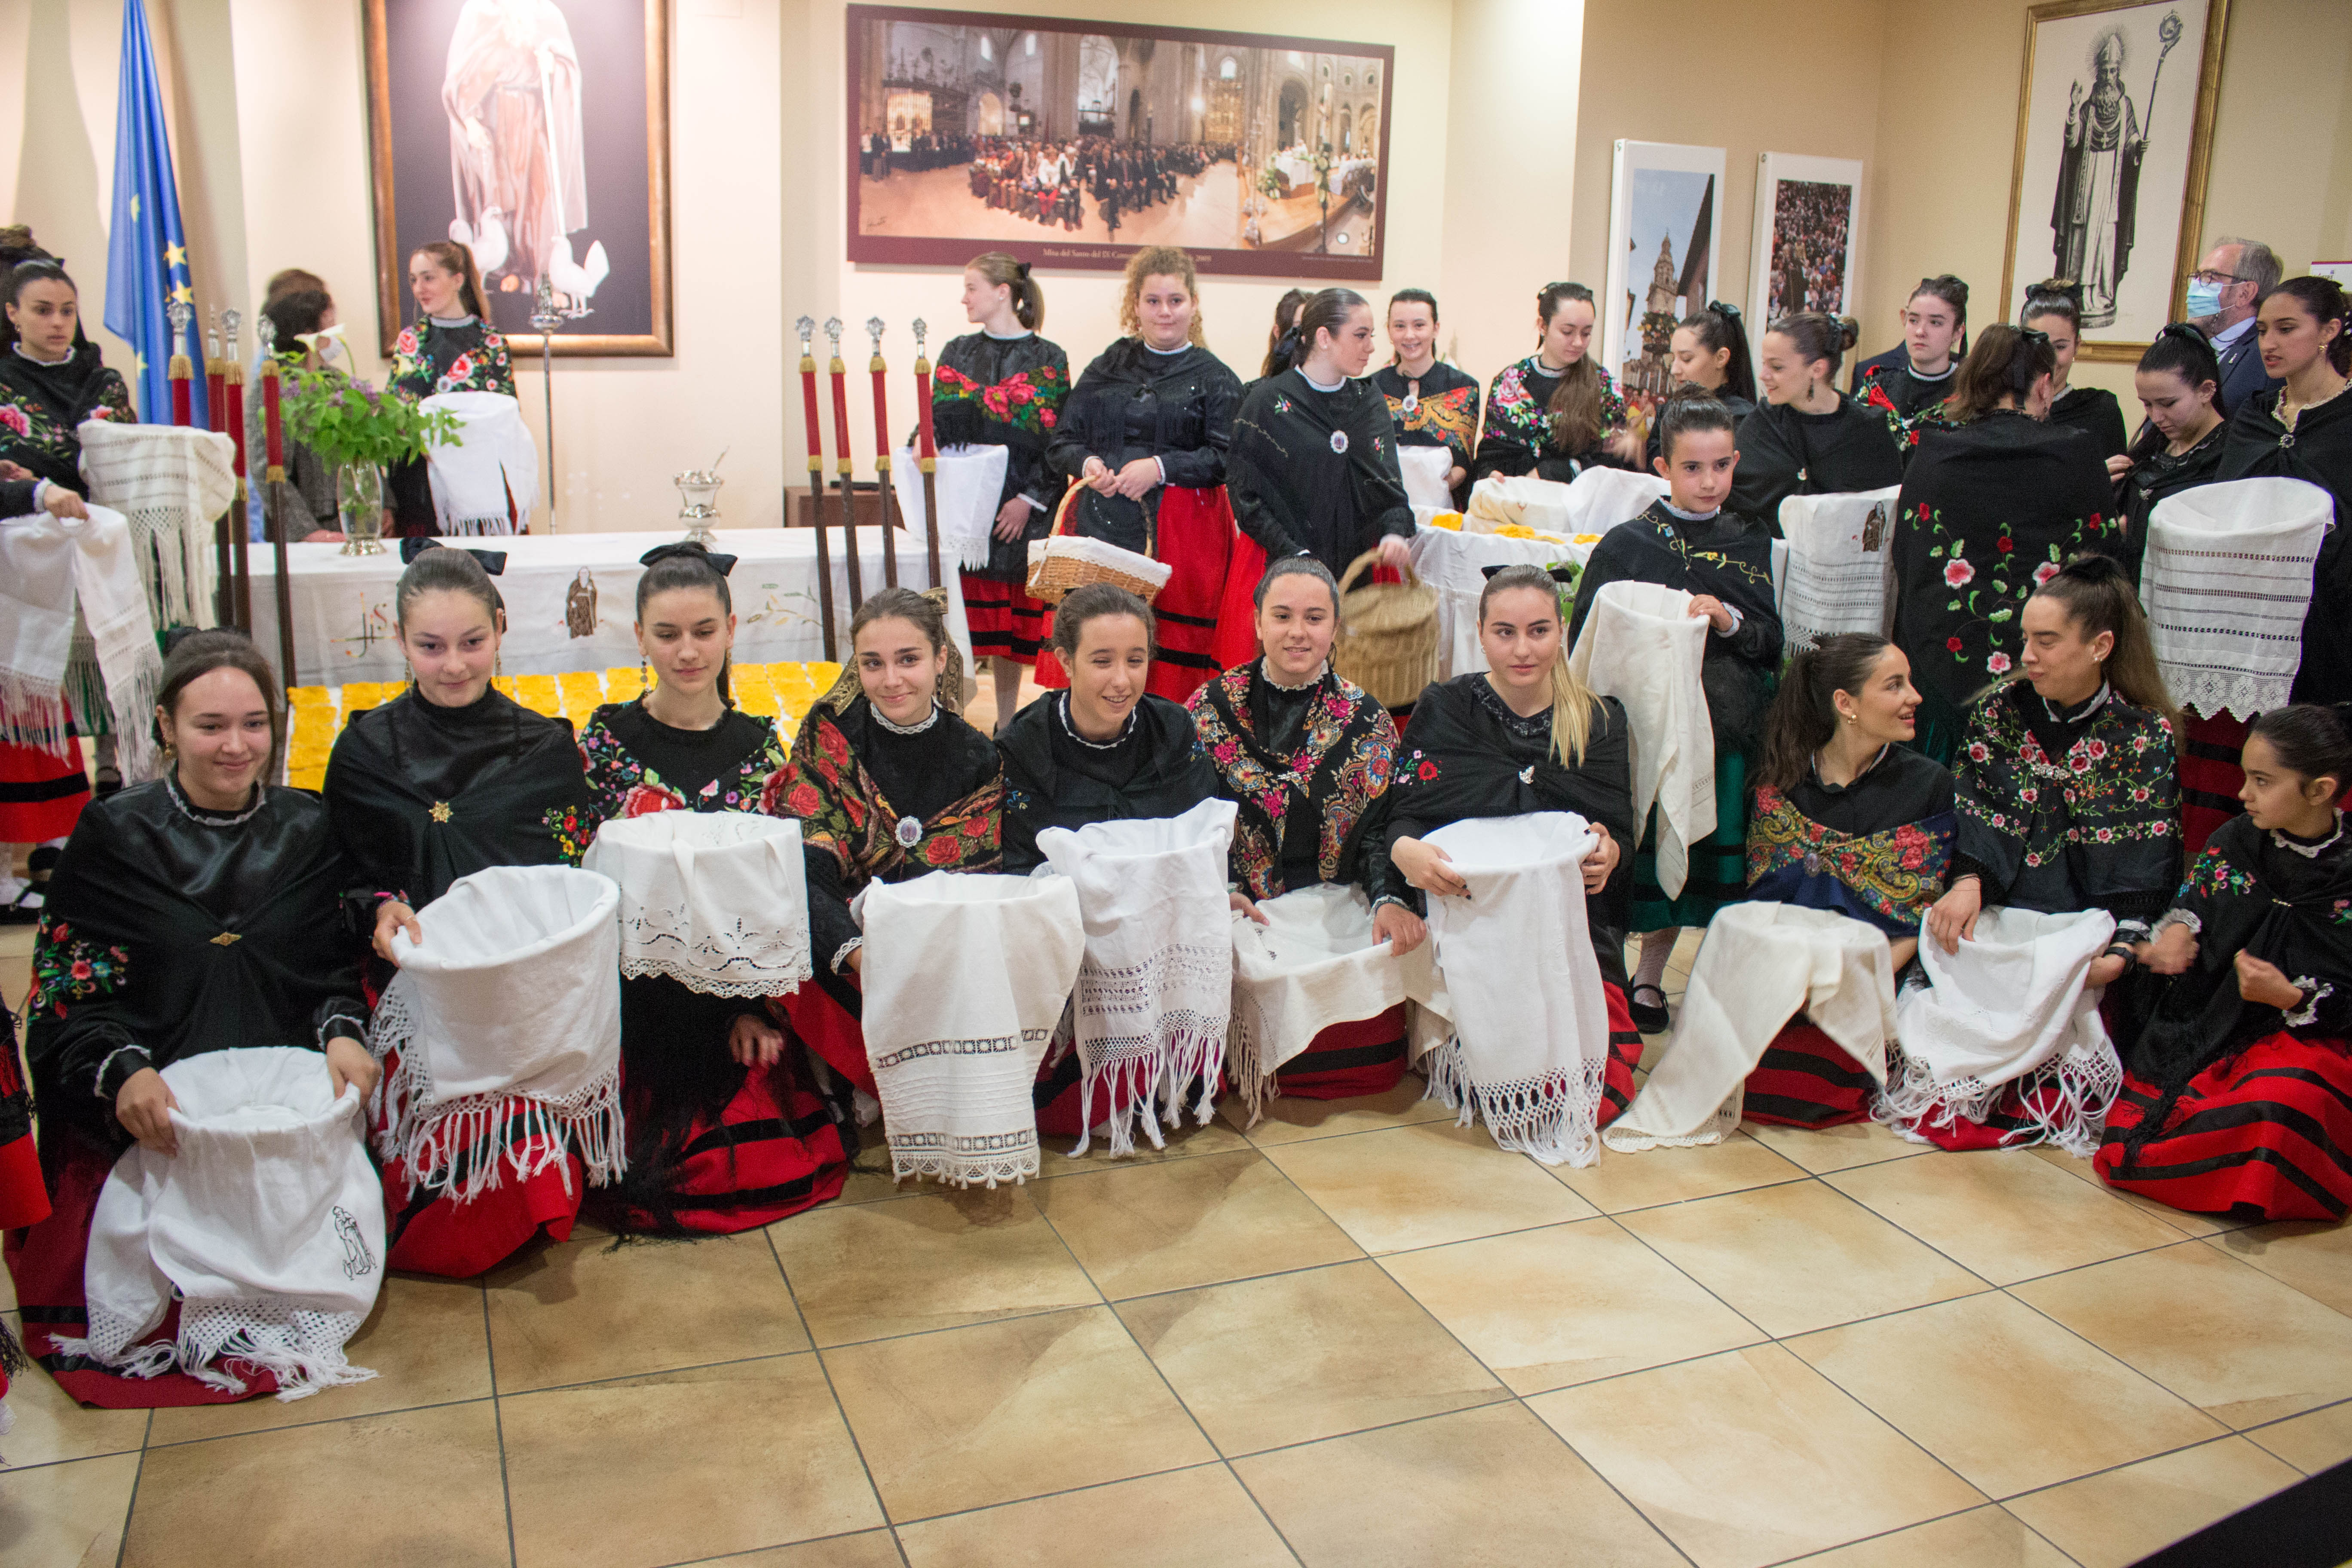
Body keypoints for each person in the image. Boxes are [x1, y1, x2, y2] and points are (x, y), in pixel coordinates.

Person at [7, 631, 376, 1406]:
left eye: (254, 723)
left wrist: (343, 1029)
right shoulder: (113, 836)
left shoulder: (307, 827)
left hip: (275, 1101)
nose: (236, 745)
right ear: (167, 728)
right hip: (160, 1107)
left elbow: (329, 969)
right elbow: (63, 993)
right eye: (210, 725)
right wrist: (123, 1070)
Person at [323, 544, 594, 1274]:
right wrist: (378, 905)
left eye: (473, 642)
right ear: (400, 641)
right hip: (404, 978)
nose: (454, 665)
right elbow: (335, 874)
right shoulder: (364, 749)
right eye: (431, 646)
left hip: (517, 979)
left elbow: (568, 881)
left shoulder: (543, 747)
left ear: (501, 628)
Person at [576, 543, 848, 1234]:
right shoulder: (606, 742)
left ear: (732, 630)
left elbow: (771, 898)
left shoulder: (760, 749)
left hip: (734, 990)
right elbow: (587, 891)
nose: (687, 652)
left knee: (761, 1162)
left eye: (704, 632)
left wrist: (751, 1008)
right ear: (639, 636)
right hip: (634, 1000)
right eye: (666, 635)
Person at [1383, 565, 1645, 1118]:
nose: (1523, 649)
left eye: (1539, 630)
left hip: (1565, 926)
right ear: (1479, 632)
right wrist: (1404, 850)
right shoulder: (1447, 708)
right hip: (1476, 923)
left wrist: (1611, 850)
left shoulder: (1599, 721)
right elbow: (1406, 813)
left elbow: (1616, 830)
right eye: (1505, 632)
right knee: (1502, 1084)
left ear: (1562, 631)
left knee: (1591, 1097)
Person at [1568, 393, 1784, 1032]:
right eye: (1693, 468)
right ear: (1664, 466)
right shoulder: (1628, 543)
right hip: (1642, 728)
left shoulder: (1748, 540)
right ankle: (1605, 973)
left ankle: (1651, 979)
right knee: (1636, 855)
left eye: (1721, 466)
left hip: (1723, 728)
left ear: (1736, 461)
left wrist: (1730, 618)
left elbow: (1771, 639)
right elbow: (1588, 635)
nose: (1709, 481)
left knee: (1693, 867)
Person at [2098, 704, 2352, 1221]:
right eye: (2245, 777)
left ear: (2321, 790)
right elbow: (2194, 906)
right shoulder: (2237, 840)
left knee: (2280, 1105)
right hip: (2211, 1023)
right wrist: (2173, 932)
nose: (2243, 794)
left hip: (2315, 1036)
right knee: (2146, 1134)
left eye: (2262, 781)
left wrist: (2290, 998)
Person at [1188, 557, 1424, 1098]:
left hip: (1333, 906)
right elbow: (1192, 822)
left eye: (1315, 618)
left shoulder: (1367, 720)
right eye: (1283, 616)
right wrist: (1219, 890)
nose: (1298, 632)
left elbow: (1377, 831)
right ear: (1257, 623)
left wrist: (1390, 897)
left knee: (1380, 996)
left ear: (1335, 628)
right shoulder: (1208, 710)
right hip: (1243, 906)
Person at [998, 585, 1218, 1129]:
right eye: (1102, 661)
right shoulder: (1025, 748)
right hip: (1069, 938)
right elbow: (1018, 870)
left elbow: (1199, 840)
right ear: (1064, 661)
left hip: (1162, 936)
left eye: (1136, 660)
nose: (1122, 681)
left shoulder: (1172, 730)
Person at [774, 588, 1003, 1107]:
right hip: (851, 948)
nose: (892, 680)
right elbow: (806, 868)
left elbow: (977, 879)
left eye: (909, 660)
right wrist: (860, 953)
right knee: (789, 930)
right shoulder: (831, 737)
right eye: (873, 664)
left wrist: (914, 948)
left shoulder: (976, 756)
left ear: (941, 658)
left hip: (936, 944)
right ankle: (855, 1079)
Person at [1926, 555, 2180, 984]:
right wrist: (1969, 881)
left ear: (2100, 646)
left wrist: (2120, 954)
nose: (2028, 656)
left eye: (2046, 641)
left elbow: (2145, 870)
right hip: (1994, 909)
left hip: (2087, 927)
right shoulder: (2000, 711)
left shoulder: (2142, 734)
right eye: (2025, 639)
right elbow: (1972, 813)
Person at [1737, 634, 1954, 1125]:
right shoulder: (1783, 777)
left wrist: (1850, 982)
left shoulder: (1929, 783)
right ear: (1846, 704)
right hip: (1783, 973)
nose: (1914, 698)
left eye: (1910, 684)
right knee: (1743, 1082)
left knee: (1817, 1097)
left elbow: (1914, 915)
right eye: (1895, 686)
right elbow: (1761, 904)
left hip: (1871, 978)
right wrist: (1791, 983)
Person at [1888, 324, 2120, 761]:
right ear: (2046, 385)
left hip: (1948, 655)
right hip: (2052, 661)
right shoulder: (2078, 453)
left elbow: (1909, 555)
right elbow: (2103, 562)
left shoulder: (1936, 450)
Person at [1047, 247, 1243, 701]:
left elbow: (1228, 458)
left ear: (1193, 304)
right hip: (1103, 527)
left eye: (1175, 300)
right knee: (1100, 644)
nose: (1164, 312)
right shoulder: (1109, 364)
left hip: (1183, 535)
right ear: (1134, 306)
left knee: (1168, 663)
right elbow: (1063, 442)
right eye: (1153, 301)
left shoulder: (1216, 377)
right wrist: (1088, 465)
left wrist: (1160, 468)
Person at [1, 259, 132, 916]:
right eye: (43, 310)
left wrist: (44, 474)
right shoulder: (3, 383)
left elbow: (116, 452)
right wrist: (39, 486)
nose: (58, 323)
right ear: (14, 315)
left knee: (116, 660)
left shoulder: (100, 375)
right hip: (23, 566)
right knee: (32, 695)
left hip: (100, 551)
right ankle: (33, 842)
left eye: (67, 310)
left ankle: (114, 777)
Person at [932, 253, 1070, 730]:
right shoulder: (957, 351)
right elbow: (938, 419)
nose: (965, 297)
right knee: (961, 620)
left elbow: (1058, 442)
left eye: (972, 287)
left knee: (1010, 630)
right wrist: (919, 439)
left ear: (1003, 293)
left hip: (1019, 508)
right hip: (967, 508)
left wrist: (1027, 500)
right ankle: (951, 721)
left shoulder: (1048, 358)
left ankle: (1007, 721)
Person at [2217, 276, 2352, 708]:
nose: (2269, 343)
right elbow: (2226, 503)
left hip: (2332, 612)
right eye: (2261, 331)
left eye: (2286, 329)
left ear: (2329, 331)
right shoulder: (2254, 417)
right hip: (2255, 609)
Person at [1227, 287, 1415, 583]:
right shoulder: (1266, 402)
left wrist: (1394, 531)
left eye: (1371, 336)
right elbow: (1246, 495)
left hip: (1358, 575)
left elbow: (1387, 484)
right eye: (1360, 335)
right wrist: (1294, 555)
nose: (1371, 348)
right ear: (1325, 338)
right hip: (1287, 569)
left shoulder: (1368, 400)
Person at [385, 241, 515, 538]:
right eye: (414, 280)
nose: (420, 288)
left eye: (429, 278)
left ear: (458, 280)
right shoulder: (410, 342)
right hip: (421, 487)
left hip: (481, 482)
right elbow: (396, 417)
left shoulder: (491, 342)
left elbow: (507, 416)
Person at [1732, 312, 1902, 528]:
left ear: (1817, 369)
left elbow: (1886, 514)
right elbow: (1735, 503)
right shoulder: (1761, 424)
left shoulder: (1868, 431)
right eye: (1764, 364)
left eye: (1776, 367)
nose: (1763, 375)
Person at [1471, 282, 1638, 484]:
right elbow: (1491, 454)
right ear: (1543, 326)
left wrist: (1553, 472)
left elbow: (1615, 464)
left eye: (1586, 333)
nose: (1578, 342)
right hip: (1517, 503)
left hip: (1578, 508)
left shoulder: (1603, 386)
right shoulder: (1509, 383)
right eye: (1568, 332)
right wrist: (1491, 474)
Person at [2114, 324, 2228, 587]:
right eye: (2147, 405)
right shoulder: (2152, 447)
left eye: (2168, 404)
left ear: (2206, 391)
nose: (2156, 418)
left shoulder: (2230, 455)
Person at [253, 286, 349, 543]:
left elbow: (362, 449)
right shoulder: (273, 385)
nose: (336, 326)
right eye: (329, 318)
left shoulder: (337, 380)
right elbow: (268, 468)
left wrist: (384, 503)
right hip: (305, 530)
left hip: (350, 521)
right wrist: (307, 531)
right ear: (308, 331)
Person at [1372, 288, 1480, 511]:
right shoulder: (1371, 389)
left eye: (1419, 325)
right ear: (1389, 331)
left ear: (1436, 329)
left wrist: (1430, 492)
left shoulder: (1463, 388)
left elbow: (1464, 461)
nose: (1409, 335)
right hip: (1382, 508)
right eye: (1400, 326)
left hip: (1442, 509)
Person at [2021, 279, 2128, 462]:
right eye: (2039, 345)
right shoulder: (2003, 406)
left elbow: (2117, 484)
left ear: (2077, 345)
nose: (2049, 359)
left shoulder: (2100, 410)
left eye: (2060, 347)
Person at [1853, 275, 1968, 443]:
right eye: (1913, 320)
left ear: (1958, 332)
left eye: (1935, 323)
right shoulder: (1877, 387)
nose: (1920, 331)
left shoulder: (1969, 397)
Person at [1644, 302, 1757, 468]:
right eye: (1673, 358)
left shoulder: (1743, 421)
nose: (1674, 370)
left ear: (1720, 358)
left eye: (1687, 359)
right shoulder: (1667, 412)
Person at [2182, 237, 2284, 416]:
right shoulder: (2183, 345)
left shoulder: (2268, 357)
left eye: (2209, 278)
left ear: (2245, 293)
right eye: (2197, 277)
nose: (2195, 286)